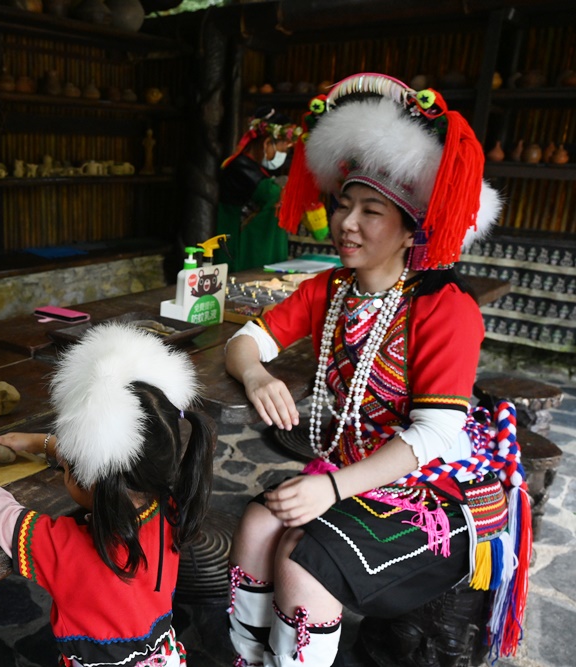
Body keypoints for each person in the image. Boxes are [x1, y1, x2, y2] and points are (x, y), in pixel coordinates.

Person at [223, 73, 531, 666]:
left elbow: (438, 434)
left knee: (300, 557)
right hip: (355, 466)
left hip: (435, 485)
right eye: (344, 205)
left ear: (411, 228)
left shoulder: (445, 307)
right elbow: (246, 340)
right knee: (258, 530)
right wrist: (257, 374)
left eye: (372, 211)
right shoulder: (328, 289)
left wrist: (331, 487)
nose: (348, 224)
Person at [0, 322, 216, 666]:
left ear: (87, 478)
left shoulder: (69, 548)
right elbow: (117, 464)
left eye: (72, 462)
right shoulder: (170, 507)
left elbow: (5, 519)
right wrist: (42, 443)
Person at [215, 107, 302, 271]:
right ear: (267, 143)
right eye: (284, 149)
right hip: (240, 251)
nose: (284, 154)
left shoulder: (256, 168)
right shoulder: (239, 167)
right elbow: (269, 193)